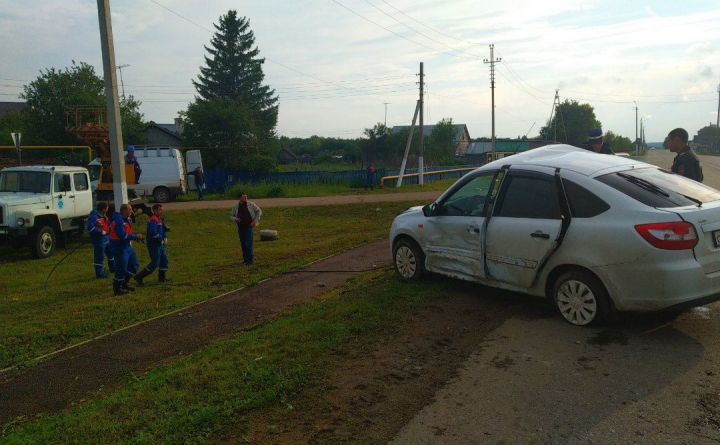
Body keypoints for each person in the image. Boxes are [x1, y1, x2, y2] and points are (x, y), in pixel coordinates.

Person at [109, 203, 144, 296]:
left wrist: (135, 238)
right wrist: (135, 236)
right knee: (121, 268)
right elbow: (122, 235)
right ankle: (117, 288)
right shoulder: (119, 221)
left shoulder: (127, 219)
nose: (132, 211)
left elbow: (127, 233)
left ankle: (124, 283)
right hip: (119, 247)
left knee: (134, 265)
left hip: (127, 246)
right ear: (124, 210)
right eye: (130, 209)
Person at [134, 204, 170, 285]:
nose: (162, 211)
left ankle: (162, 278)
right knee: (155, 263)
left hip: (160, 245)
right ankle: (139, 276)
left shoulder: (159, 219)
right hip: (154, 245)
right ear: (155, 211)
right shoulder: (153, 220)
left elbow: (162, 230)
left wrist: (165, 237)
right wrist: (160, 240)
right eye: (160, 210)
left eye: (162, 209)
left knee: (164, 261)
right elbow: (153, 232)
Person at [230, 192, 262, 265]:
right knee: (243, 244)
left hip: (249, 226)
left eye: (246, 197)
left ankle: (250, 261)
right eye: (244, 197)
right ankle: (245, 260)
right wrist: (235, 219)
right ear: (240, 198)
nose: (246, 198)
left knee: (248, 243)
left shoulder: (251, 204)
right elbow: (231, 216)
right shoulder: (235, 206)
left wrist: (255, 221)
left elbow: (259, 211)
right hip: (240, 227)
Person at [86, 202, 114, 278]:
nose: (108, 209)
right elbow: (90, 228)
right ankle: (100, 274)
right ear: (103, 209)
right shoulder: (94, 217)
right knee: (99, 257)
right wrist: (100, 231)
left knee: (111, 253)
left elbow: (107, 225)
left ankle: (113, 268)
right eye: (107, 208)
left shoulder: (104, 216)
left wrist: (111, 226)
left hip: (107, 238)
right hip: (99, 240)